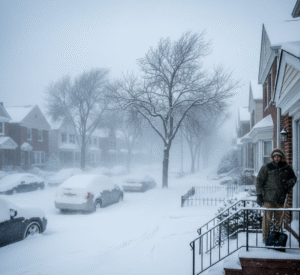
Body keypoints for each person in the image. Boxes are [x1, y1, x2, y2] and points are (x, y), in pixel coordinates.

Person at [256, 148, 297, 243]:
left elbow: (293, 178)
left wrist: (288, 184)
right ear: (272, 157)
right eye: (275, 157)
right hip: (268, 199)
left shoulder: (287, 168)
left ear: (281, 157)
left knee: (279, 220)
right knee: (267, 219)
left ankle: (275, 236)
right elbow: (259, 181)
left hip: (281, 199)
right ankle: (266, 237)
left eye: (278, 156)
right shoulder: (267, 167)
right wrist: (259, 195)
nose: (276, 158)